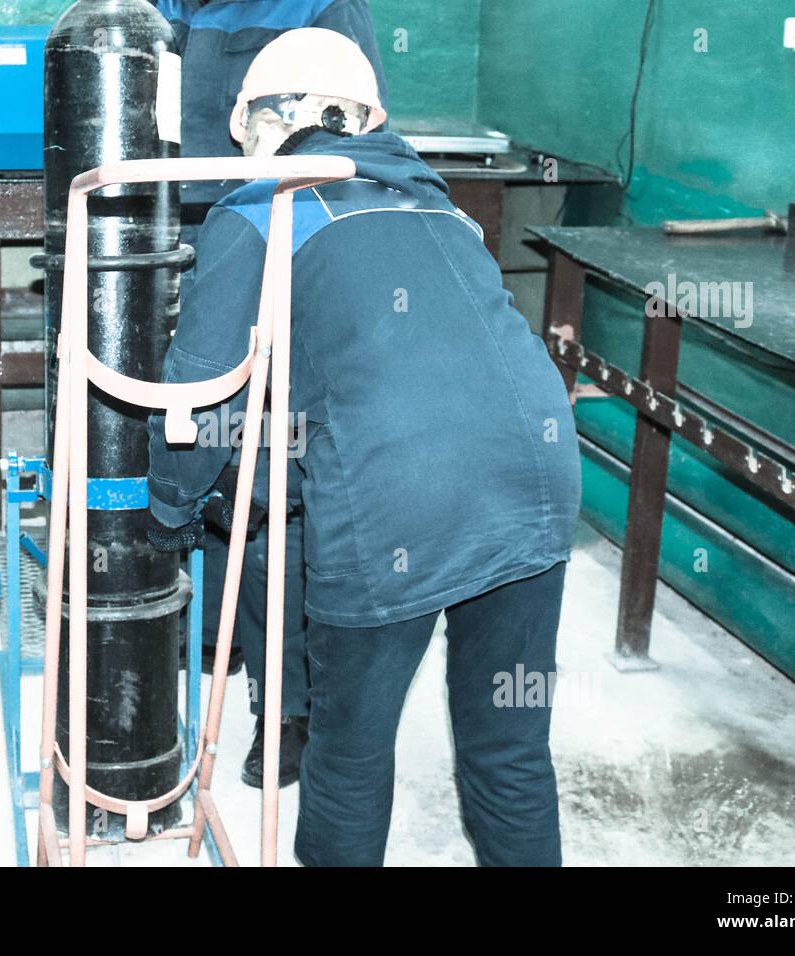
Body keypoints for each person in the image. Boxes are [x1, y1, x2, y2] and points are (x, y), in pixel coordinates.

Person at [145, 29, 581, 866]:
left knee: (348, 756)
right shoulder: (444, 208)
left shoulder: (258, 208)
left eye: (248, 136)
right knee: (510, 753)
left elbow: (195, 398)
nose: (246, 153)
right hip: (539, 476)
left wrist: (167, 514)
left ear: (274, 122)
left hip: (398, 505)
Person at [148, 0, 388, 790]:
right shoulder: (173, 9)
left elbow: (351, 144)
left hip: (286, 245)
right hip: (191, 239)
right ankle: (220, 640)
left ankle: (288, 706)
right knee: (216, 460)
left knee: (274, 484)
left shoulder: (324, 9)